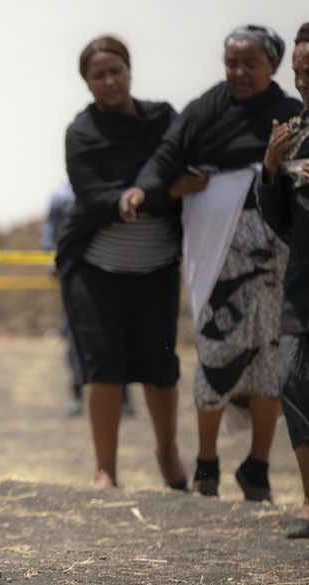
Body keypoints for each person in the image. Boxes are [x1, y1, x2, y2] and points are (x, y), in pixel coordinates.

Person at [124, 24, 302, 501]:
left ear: (274, 66)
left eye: (250, 64)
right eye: (232, 63)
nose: (239, 72)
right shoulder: (205, 109)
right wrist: (144, 188)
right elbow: (167, 156)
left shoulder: (290, 115)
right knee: (217, 354)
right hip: (215, 254)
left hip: (275, 263)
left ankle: (259, 468)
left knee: (268, 360)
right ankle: (207, 462)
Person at [57, 36, 200, 490]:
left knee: (160, 367)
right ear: (88, 82)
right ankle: (106, 470)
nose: (109, 80)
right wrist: (158, 190)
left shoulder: (163, 118)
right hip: (95, 266)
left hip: (157, 265)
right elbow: (90, 194)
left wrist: (152, 189)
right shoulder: (81, 132)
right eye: (98, 75)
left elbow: (189, 168)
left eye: (115, 70)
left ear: (129, 70)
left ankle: (169, 456)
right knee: (105, 366)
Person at [257, 22, 309, 536]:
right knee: (293, 383)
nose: (303, 80)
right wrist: (272, 170)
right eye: (298, 72)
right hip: (301, 289)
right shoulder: (292, 134)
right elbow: (280, 223)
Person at [41, 181, 133, 417]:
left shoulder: (112, 188)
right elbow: (50, 229)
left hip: (110, 270)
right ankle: (76, 392)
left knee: (117, 331)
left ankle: (123, 396)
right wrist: (52, 259)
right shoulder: (61, 195)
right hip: (75, 273)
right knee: (76, 334)